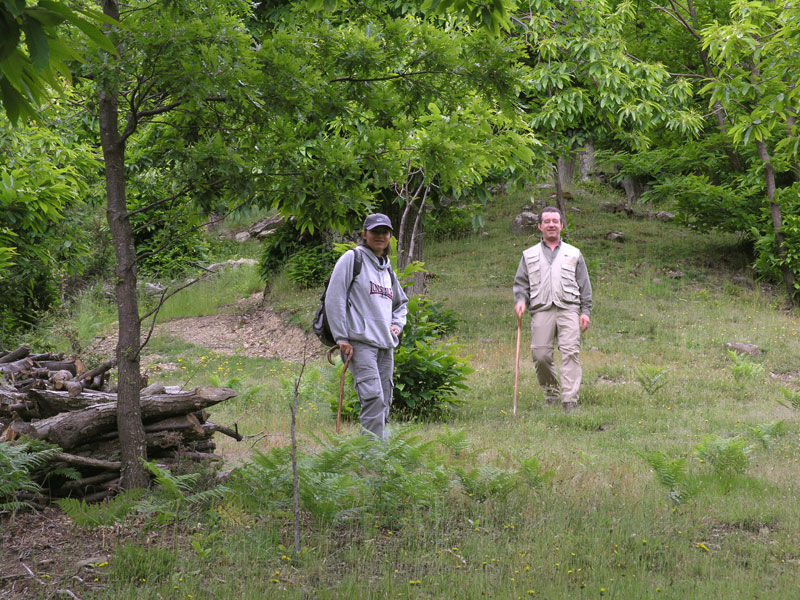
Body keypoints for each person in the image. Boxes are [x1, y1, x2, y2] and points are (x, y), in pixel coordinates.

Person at [325, 213, 409, 438]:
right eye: (375, 232)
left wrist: (397, 325)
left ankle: (378, 453)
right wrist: (341, 338)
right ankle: (370, 456)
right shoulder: (352, 259)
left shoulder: (387, 269)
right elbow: (334, 298)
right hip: (359, 344)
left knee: (385, 401)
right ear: (364, 234)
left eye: (385, 232)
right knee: (373, 399)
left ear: (390, 236)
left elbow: (401, 304)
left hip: (385, 345)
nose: (380, 236)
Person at [513, 206, 592, 413]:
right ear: (539, 226)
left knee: (570, 353)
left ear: (561, 225)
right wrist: (521, 300)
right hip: (541, 310)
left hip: (569, 309)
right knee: (540, 356)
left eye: (555, 221)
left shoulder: (574, 253)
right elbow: (521, 284)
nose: (551, 225)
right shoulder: (529, 255)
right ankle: (552, 394)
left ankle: (570, 401)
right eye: (547, 221)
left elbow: (584, 285)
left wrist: (585, 311)